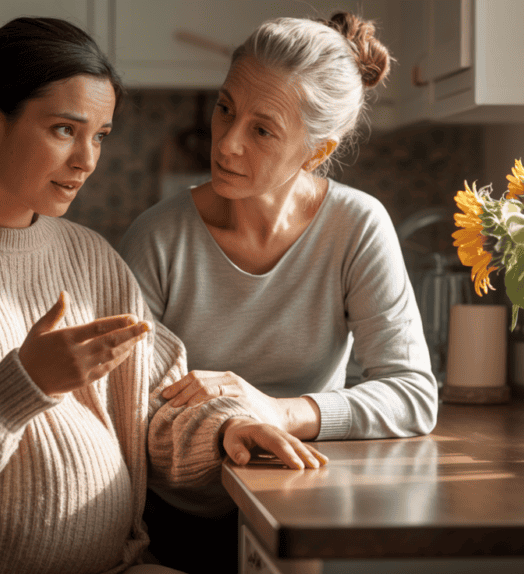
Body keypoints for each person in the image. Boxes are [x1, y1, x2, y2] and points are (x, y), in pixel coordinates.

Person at [0, 17, 325, 574]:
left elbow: (160, 407)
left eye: (99, 135)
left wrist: (229, 428)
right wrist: (25, 382)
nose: (87, 160)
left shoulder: (91, 258)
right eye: (64, 130)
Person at [118, 12, 438, 573]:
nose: (227, 143)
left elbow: (412, 394)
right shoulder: (158, 237)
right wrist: (229, 424)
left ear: (315, 152)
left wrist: (278, 411)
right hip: (175, 520)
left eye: (262, 130)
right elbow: (123, 407)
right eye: (225, 108)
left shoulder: (356, 227)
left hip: (302, 504)